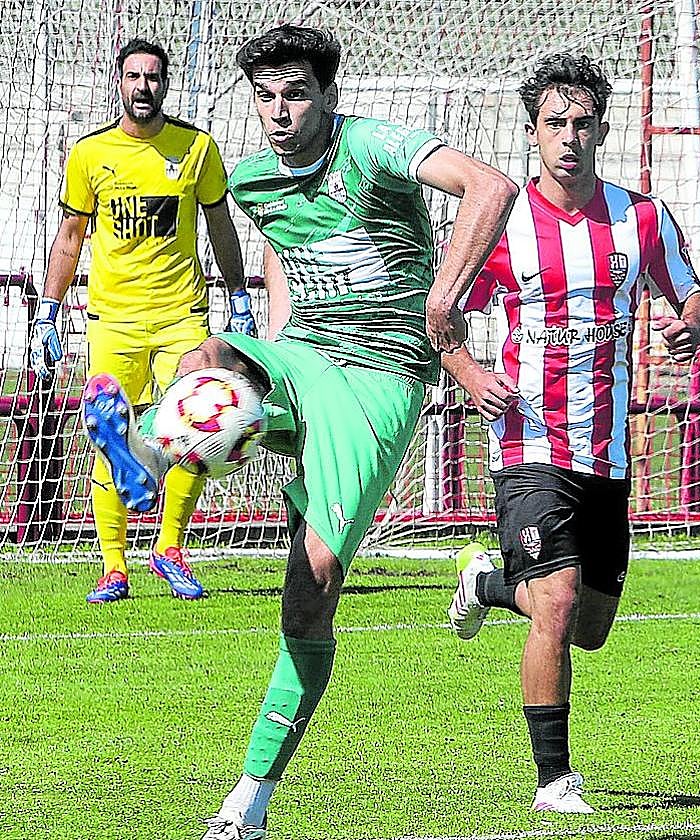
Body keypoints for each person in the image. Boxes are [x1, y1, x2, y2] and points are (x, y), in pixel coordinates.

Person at [79, 25, 517, 839]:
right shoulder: (250, 181)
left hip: (380, 380)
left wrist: (441, 304)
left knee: (309, 593)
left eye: (296, 94)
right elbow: (283, 256)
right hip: (303, 357)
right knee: (209, 352)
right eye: (265, 96)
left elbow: (491, 188)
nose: (278, 112)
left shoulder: (376, 148)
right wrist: (276, 363)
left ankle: (251, 799)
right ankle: (144, 452)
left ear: (328, 97)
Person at [442, 53, 700, 814]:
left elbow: (695, 297)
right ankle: (554, 780)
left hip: (607, 453)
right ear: (533, 133)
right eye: (555, 123)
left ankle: (486, 583)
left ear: (601, 128)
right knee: (557, 606)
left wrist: (689, 325)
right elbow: (443, 316)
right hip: (529, 443)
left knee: (588, 625)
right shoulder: (501, 222)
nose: (570, 137)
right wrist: (467, 372)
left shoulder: (644, 216)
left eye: (583, 123)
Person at [29, 38, 252, 604]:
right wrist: (50, 311)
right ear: (119, 82)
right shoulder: (89, 155)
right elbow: (72, 236)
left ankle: (171, 550)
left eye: (154, 77)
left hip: (183, 315)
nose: (144, 87)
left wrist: (238, 295)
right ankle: (113, 567)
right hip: (113, 320)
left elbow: (221, 226)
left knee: (196, 433)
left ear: (166, 83)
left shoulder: (196, 148)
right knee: (110, 438)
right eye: (134, 77)